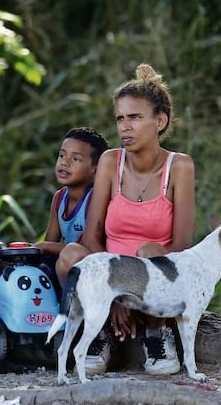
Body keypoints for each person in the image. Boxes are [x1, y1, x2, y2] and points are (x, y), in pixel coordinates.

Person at [55, 63, 196, 376]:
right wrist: (114, 292)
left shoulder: (180, 167)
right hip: (110, 274)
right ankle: (101, 332)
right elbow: (92, 238)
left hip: (157, 278)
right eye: (120, 118)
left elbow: (182, 247)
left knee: (151, 252)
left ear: (160, 121)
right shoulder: (109, 161)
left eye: (134, 117)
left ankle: (156, 335)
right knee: (71, 256)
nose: (124, 127)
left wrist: (131, 291)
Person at [35, 127, 109, 256]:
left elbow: (86, 249)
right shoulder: (59, 198)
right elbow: (49, 247)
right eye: (62, 155)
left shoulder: (95, 199)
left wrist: (44, 246)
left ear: (96, 171)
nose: (65, 162)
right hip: (67, 264)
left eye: (76, 159)